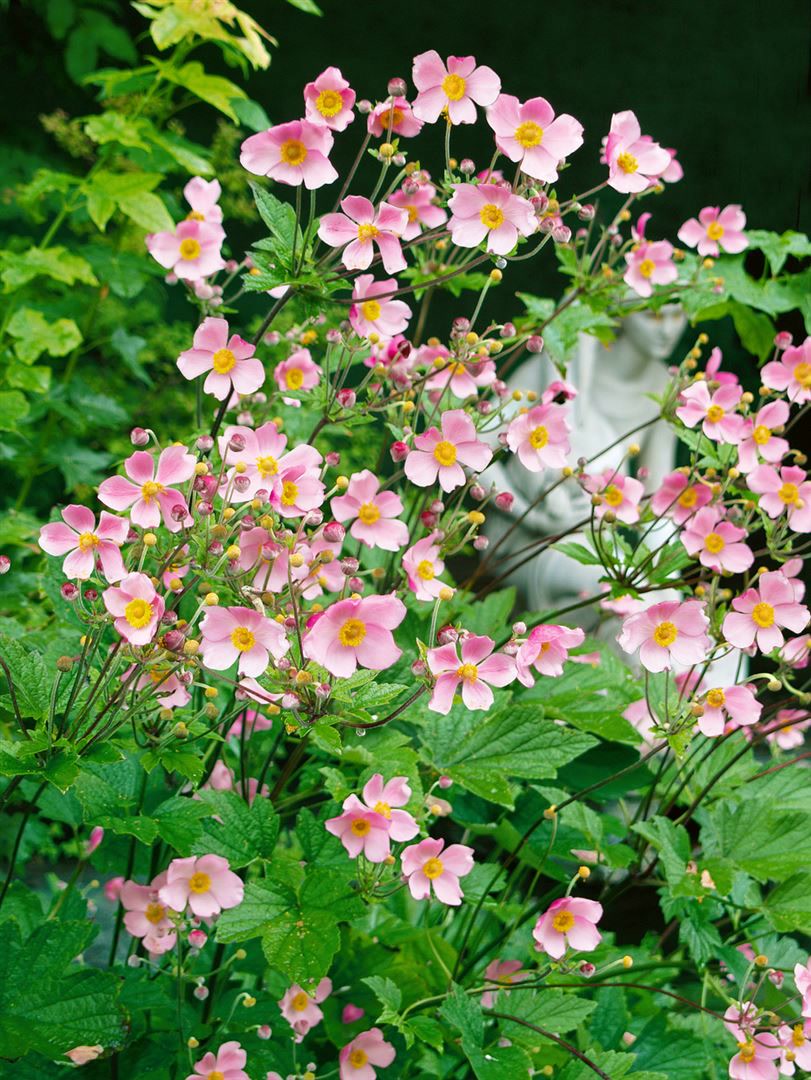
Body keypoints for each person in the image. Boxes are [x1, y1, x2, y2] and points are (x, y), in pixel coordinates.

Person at [482, 304, 687, 623]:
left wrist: (667, 580)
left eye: (678, 314)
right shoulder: (558, 368)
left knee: (650, 604)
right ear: (622, 313)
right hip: (524, 541)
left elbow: (656, 500)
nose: (668, 329)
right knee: (619, 592)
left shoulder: (665, 387)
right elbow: (473, 448)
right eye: (654, 315)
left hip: (597, 540)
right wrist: (529, 513)